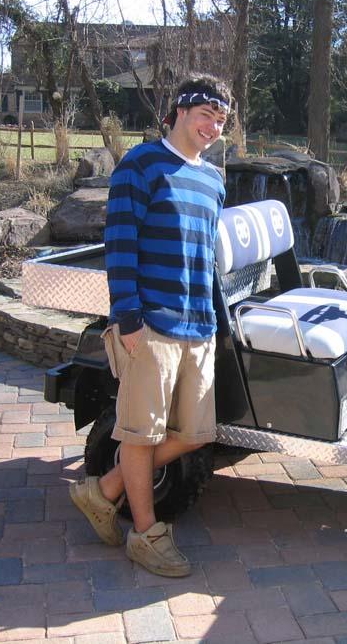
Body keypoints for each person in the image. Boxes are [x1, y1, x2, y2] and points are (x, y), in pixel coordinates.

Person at [69, 74, 231, 577]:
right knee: (140, 435)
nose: (213, 127)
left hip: (198, 327)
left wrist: (216, 321)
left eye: (221, 120)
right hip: (151, 326)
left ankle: (104, 491)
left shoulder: (214, 180)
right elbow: (120, 246)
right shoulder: (140, 165)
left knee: (196, 433)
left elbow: (206, 258)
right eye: (206, 115)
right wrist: (129, 319)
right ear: (179, 112)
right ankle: (145, 534)